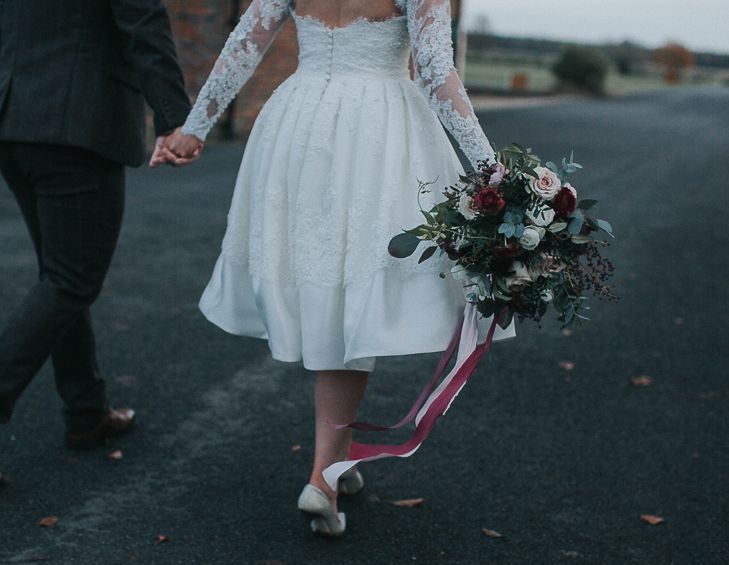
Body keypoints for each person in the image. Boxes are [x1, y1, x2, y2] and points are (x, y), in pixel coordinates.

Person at [157, 0, 514, 536]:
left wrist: (196, 126)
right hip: (380, 129)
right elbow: (438, 69)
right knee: (355, 289)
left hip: (298, 121)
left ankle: (337, 458)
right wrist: (491, 171)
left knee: (336, 280)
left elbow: (244, 44)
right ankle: (322, 476)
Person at [0, 1, 192, 454]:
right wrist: (175, 119)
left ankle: (86, 411)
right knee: (70, 280)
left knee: (60, 275)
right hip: (77, 121)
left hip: (14, 120)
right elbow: (143, 23)